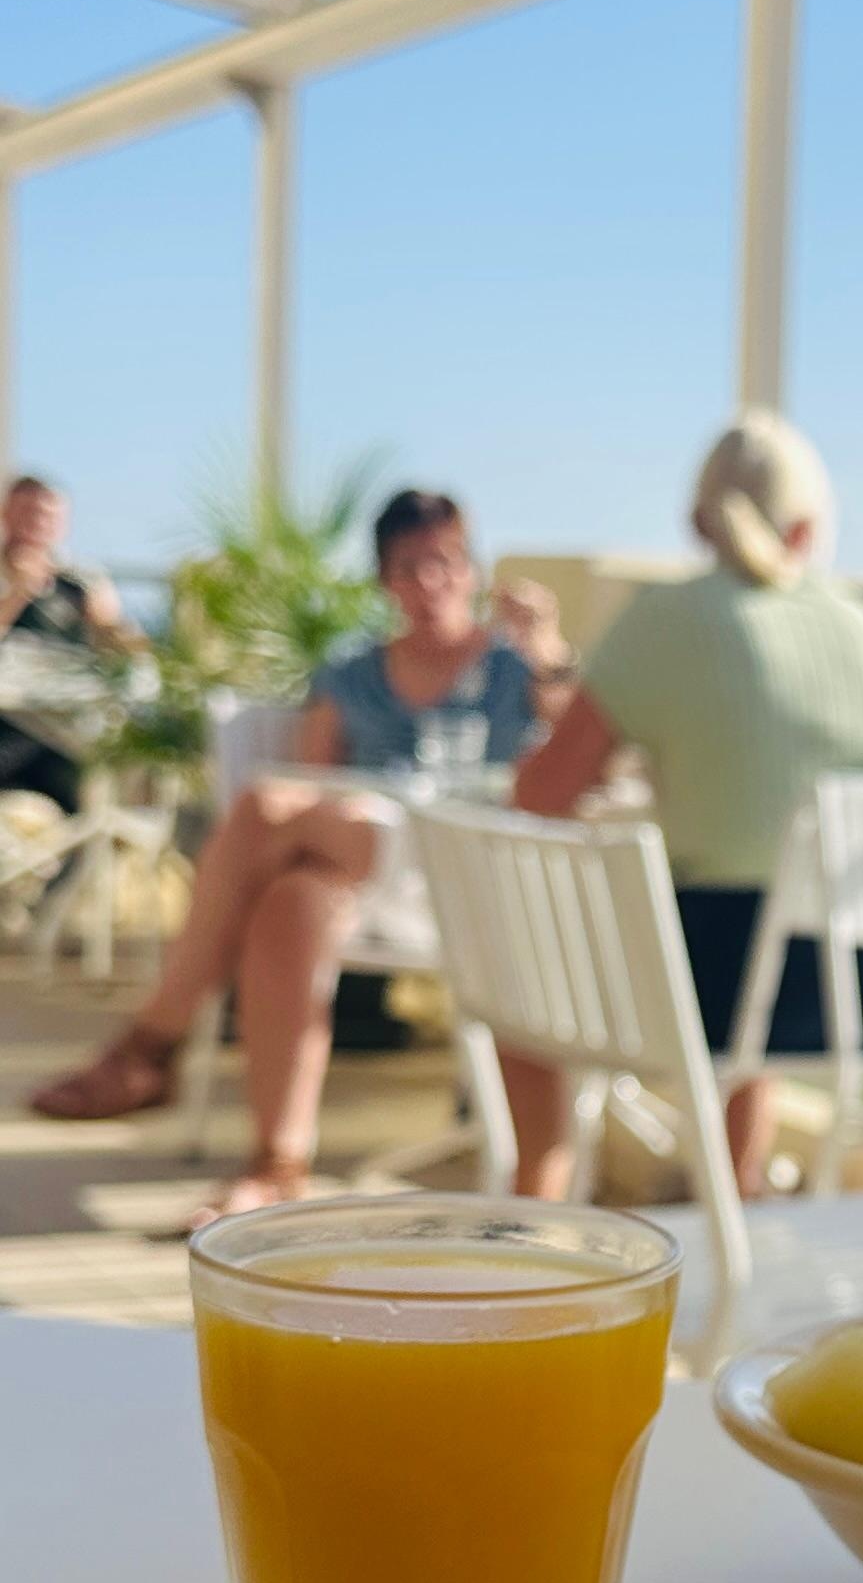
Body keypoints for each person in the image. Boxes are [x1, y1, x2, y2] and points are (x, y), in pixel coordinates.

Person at [32, 488, 574, 1215]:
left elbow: (575, 750)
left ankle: (152, 1040)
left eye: (445, 563)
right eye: (410, 566)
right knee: (292, 898)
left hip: (473, 868)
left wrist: (549, 653)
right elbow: (315, 784)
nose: (430, 582)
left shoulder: (515, 667)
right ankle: (276, 1166)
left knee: (262, 806)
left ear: (471, 570)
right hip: (372, 872)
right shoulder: (351, 672)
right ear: (385, 578)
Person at [509, 414, 863, 1196]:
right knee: (760, 923)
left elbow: (541, 792)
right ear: (807, 524)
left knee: (521, 962)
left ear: (698, 519)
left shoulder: (669, 617)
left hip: (722, 985)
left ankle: (540, 1208)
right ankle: (734, 1182)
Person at [0, 474, 134, 816]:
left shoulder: (80, 579)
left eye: (49, 516)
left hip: (63, 719)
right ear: (7, 513)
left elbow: (114, 634)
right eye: (30, 513)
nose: (39, 524)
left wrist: (116, 632)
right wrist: (18, 592)